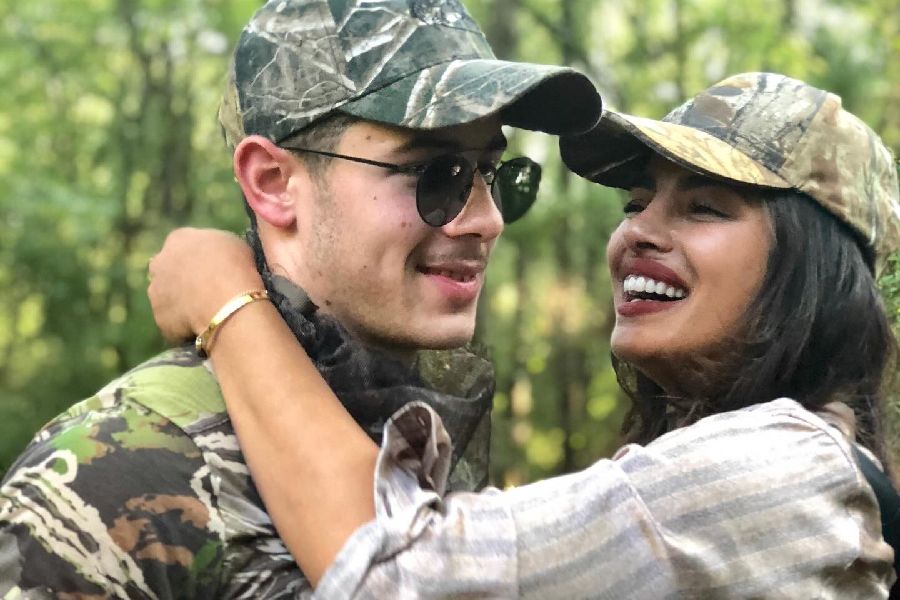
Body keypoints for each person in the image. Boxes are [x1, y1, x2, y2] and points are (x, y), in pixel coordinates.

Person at [147, 71, 900, 598]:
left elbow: (402, 578)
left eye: (703, 209)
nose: (638, 231)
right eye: (636, 203)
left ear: (815, 271)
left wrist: (228, 301)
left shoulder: (778, 474)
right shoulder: (741, 471)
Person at [0, 0, 602, 597]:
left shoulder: (415, 434)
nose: (487, 220)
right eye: (434, 174)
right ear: (272, 182)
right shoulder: (118, 467)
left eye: (492, 174)